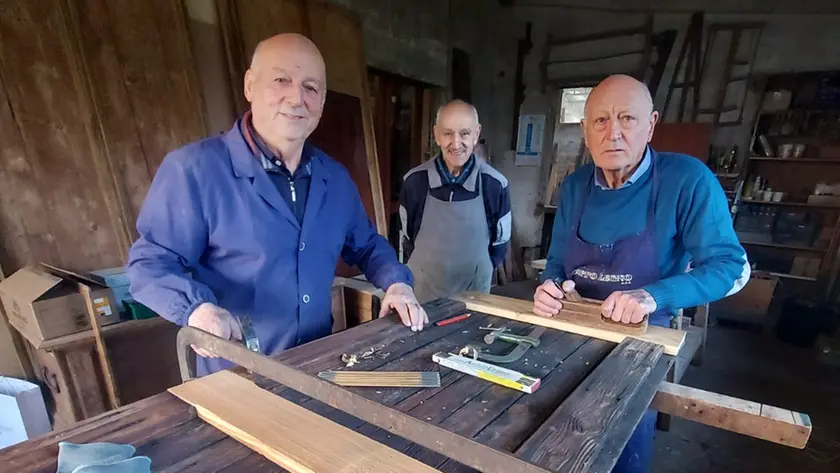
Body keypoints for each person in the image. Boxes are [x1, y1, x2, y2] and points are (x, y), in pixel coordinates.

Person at [127, 33, 428, 377]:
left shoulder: (335, 179)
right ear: (250, 86)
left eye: (311, 87)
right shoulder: (195, 171)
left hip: (317, 368)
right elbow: (150, 263)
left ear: (323, 101)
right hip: (234, 377)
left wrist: (396, 283)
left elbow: (368, 245)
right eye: (281, 80)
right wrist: (198, 308)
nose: (296, 98)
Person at [532, 75, 750, 473]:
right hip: (569, 338)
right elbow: (558, 262)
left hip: (641, 348)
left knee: (621, 454)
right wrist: (548, 287)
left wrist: (653, 297)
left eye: (627, 119)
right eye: (600, 121)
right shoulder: (576, 186)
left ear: (650, 124)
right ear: (584, 130)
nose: (613, 133)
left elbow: (730, 267)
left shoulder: (688, 180)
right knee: (550, 446)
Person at [399, 100, 512, 303]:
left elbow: (500, 246)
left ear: (477, 134)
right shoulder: (414, 182)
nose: (456, 143)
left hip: (474, 297)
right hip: (423, 296)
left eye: (465, 133)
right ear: (436, 135)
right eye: (448, 133)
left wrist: (477, 271)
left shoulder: (495, 185)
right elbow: (406, 240)